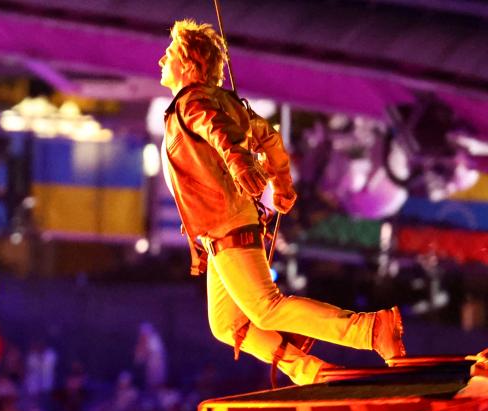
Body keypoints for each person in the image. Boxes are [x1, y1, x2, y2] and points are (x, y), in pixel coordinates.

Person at [157, 19, 405, 385]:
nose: (161, 60)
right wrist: (282, 182)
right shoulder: (222, 101)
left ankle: (370, 329)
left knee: (266, 309)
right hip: (221, 229)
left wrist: (243, 165)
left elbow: (219, 133)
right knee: (226, 325)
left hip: (228, 224)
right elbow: (268, 137)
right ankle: (313, 371)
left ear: (189, 64)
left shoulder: (192, 103)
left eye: (169, 53)